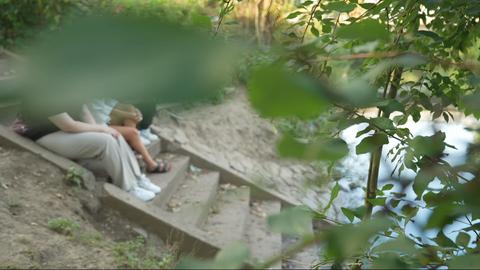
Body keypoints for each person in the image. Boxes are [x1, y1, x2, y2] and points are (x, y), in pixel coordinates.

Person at [22, 104, 161, 202]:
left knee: (115, 135)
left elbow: (84, 111)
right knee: (105, 140)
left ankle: (137, 179)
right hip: (44, 135)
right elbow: (68, 125)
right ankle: (129, 188)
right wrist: (102, 130)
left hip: (63, 131)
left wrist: (101, 128)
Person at [88, 98, 170, 173]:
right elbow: (99, 114)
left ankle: (133, 149)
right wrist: (125, 114)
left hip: (104, 120)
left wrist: (134, 112)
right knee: (132, 132)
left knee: (130, 109)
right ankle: (151, 164)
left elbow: (111, 103)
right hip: (97, 125)